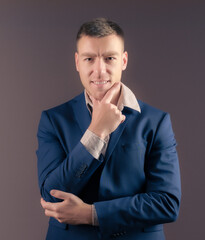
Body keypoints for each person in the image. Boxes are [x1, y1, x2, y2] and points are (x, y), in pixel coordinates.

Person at [36, 18, 181, 240]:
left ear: (123, 60)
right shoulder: (53, 120)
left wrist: (92, 214)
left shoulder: (156, 121)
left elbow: (167, 203)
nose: (99, 70)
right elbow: (52, 197)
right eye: (89, 59)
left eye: (109, 58)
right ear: (77, 62)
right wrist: (96, 132)